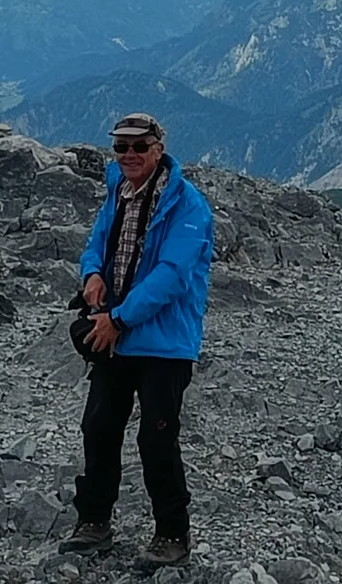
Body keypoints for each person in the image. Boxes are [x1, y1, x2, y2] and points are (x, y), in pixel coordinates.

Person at [59, 112, 214, 572]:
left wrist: (118, 320)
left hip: (162, 342)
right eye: (120, 148)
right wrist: (90, 274)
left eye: (138, 147)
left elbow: (171, 277)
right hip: (117, 331)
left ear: (158, 149)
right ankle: (93, 521)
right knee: (100, 427)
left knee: (156, 438)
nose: (128, 155)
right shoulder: (118, 193)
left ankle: (172, 533)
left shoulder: (188, 207)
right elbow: (96, 243)